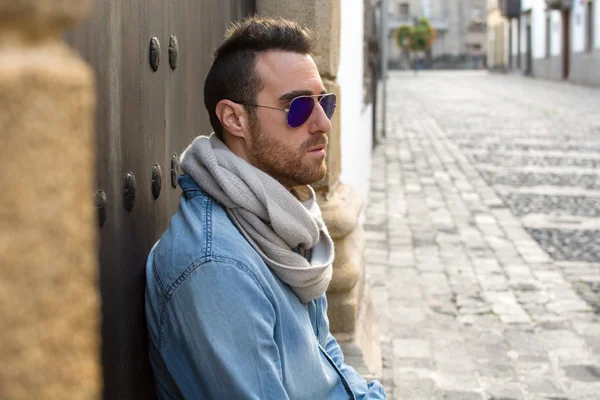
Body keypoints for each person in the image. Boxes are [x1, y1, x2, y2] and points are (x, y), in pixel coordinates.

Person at [145, 16, 386, 400]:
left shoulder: (282, 219)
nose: (322, 122)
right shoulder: (217, 267)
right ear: (235, 119)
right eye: (298, 107)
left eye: (325, 102)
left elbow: (327, 360)